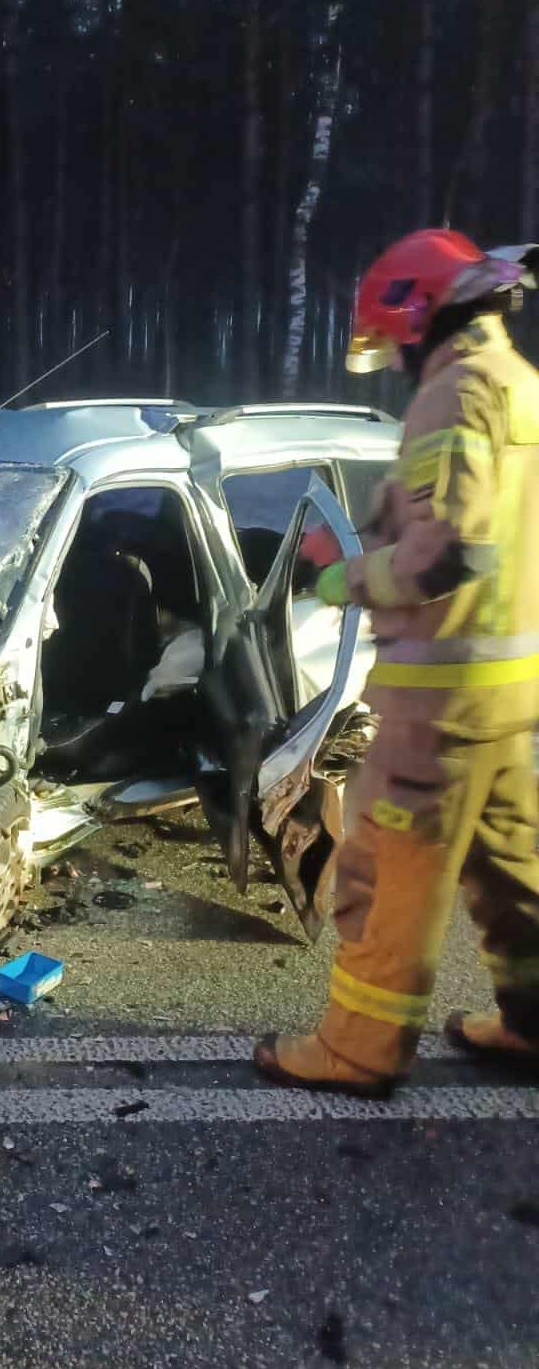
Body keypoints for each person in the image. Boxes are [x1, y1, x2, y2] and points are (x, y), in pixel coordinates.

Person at [254, 229, 539, 1098]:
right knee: (511, 864)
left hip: (439, 696)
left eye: (397, 340)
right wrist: (360, 536)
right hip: (510, 687)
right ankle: (534, 1024)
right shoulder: (519, 385)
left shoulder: (455, 396)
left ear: (422, 315)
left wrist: (350, 577)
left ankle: (358, 1050)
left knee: (386, 878)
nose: (398, 360)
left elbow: (451, 552)